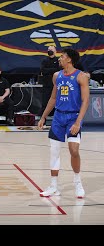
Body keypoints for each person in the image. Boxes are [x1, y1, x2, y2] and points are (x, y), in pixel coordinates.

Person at [37, 48, 89, 198]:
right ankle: (53, 186)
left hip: (73, 117)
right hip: (59, 117)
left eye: (62, 56)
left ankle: (77, 182)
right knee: (54, 152)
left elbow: (85, 101)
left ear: (69, 59)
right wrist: (43, 117)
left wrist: (78, 122)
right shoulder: (56, 76)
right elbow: (53, 98)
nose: (59, 59)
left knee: (74, 151)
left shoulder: (81, 76)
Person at [39, 45, 60, 116]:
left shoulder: (58, 60)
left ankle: (55, 114)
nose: (49, 51)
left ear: (55, 51)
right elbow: (43, 70)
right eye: (48, 49)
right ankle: (44, 115)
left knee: (56, 99)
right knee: (45, 99)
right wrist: (53, 70)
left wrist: (49, 70)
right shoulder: (44, 60)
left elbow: (59, 70)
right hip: (46, 83)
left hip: (56, 84)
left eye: (51, 49)